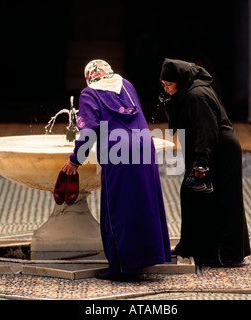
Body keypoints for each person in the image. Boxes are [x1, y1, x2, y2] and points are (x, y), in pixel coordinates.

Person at [62, 59, 171, 280]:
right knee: (144, 202)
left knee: (117, 208)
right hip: (144, 146)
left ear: (89, 77)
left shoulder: (89, 93)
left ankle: (122, 269)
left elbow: (89, 129)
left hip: (117, 152)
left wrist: (75, 159)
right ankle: (146, 259)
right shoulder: (126, 85)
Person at [159, 58, 251, 267]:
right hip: (207, 151)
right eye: (162, 84)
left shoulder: (197, 95)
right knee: (192, 196)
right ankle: (191, 246)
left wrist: (202, 162)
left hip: (219, 152)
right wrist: (169, 99)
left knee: (220, 199)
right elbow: (179, 123)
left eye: (168, 84)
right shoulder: (187, 92)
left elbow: (206, 130)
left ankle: (224, 253)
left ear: (180, 80)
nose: (165, 88)